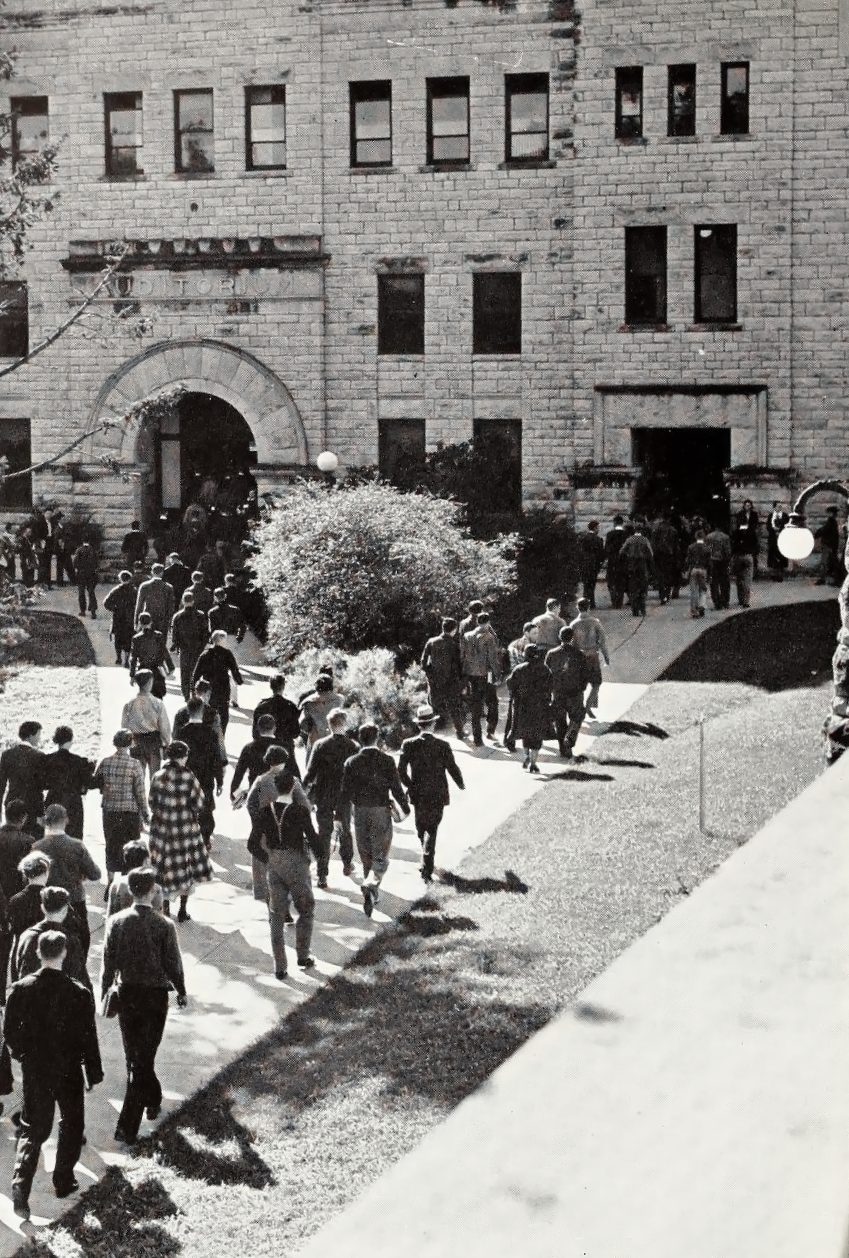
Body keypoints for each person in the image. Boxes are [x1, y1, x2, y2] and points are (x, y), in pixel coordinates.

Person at [5, 930, 103, 1218]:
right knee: (72, 1123)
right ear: (64, 953)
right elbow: (88, 1037)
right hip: (68, 1070)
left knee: (33, 1127)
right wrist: (93, 1072)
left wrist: (22, 1055)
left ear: (38, 953)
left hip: (36, 1070)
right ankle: (63, 1180)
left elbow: (9, 1032)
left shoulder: (21, 989)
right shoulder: (78, 992)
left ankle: (21, 1184)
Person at [100, 868, 187, 1145]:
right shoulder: (164, 925)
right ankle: (129, 1127)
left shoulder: (116, 922)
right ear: (152, 891)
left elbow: (108, 961)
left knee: (137, 1057)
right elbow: (173, 964)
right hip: (155, 997)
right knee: (143, 1057)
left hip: (127, 995)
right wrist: (181, 990)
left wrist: (104, 990)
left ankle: (152, 1099)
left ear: (131, 891)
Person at [255, 769, 321, 979]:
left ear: (275, 788)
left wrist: (269, 858)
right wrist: (321, 857)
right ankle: (303, 955)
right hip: (297, 863)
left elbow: (252, 843)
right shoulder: (300, 811)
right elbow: (313, 837)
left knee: (276, 914)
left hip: (274, 863)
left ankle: (280, 966)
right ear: (293, 787)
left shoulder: (265, 812)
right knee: (306, 908)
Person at [339, 723, 409, 917]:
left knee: (365, 852)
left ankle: (371, 892)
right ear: (377, 738)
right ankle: (371, 884)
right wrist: (405, 807)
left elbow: (344, 792)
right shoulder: (387, 760)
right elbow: (396, 787)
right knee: (381, 854)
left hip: (359, 811)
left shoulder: (351, 762)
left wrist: (339, 815)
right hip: (380, 810)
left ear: (360, 739)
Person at [147, 741, 213, 922]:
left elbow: (151, 801)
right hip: (184, 828)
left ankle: (166, 910)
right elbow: (199, 803)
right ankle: (183, 910)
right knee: (185, 867)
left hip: (162, 829)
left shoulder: (158, 776)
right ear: (183, 756)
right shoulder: (188, 777)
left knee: (163, 868)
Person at [398, 704, 464, 883]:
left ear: (419, 725)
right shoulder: (442, 745)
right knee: (431, 828)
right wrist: (460, 783)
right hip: (437, 792)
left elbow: (401, 771)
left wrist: (410, 785)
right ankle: (427, 862)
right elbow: (452, 767)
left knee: (422, 828)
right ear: (433, 724)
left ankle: (426, 865)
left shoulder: (408, 745)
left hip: (418, 794)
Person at [33, 803, 101, 960]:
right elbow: (95, 874)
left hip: (48, 903)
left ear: (46, 822)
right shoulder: (77, 846)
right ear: (66, 820)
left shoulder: (37, 847)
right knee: (81, 940)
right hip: (74, 901)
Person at [302, 709, 359, 886]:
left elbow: (311, 773)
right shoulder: (353, 746)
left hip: (323, 794)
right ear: (345, 724)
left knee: (324, 833)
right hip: (344, 796)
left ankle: (322, 874)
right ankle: (347, 863)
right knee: (345, 830)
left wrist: (303, 790)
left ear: (329, 725)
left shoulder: (320, 745)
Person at [246, 747, 310, 902]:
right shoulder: (292, 781)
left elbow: (250, 803)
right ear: (283, 761)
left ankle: (264, 893)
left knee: (263, 861)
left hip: (265, 829)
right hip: (287, 829)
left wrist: (258, 820)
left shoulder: (260, 780)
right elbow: (305, 806)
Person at [93, 729, 150, 895]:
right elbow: (140, 792)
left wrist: (105, 789)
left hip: (110, 811)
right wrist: (145, 814)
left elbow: (97, 781)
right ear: (131, 743)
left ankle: (110, 881)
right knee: (130, 847)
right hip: (129, 812)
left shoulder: (105, 762)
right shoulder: (135, 764)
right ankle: (126, 884)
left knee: (111, 845)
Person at [13, 886, 90, 990]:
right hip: (63, 996)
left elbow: (18, 969)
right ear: (65, 910)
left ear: (43, 908)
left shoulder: (27, 937)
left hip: (30, 995)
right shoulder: (71, 940)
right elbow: (80, 976)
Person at [0, 801, 35, 1000]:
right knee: (20, 946)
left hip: (1, 900)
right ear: (24, 818)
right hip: (21, 901)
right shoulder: (28, 841)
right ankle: (16, 991)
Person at [180, 698, 224, 848]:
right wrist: (220, 781)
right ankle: (205, 839)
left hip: (187, 777)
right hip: (206, 776)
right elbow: (217, 759)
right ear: (202, 712)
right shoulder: (211, 733)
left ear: (188, 711)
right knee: (206, 808)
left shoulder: (182, 732)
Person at [41, 725, 95, 841]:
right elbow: (90, 783)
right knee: (74, 836)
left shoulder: (47, 759)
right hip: (73, 802)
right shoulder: (78, 761)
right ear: (70, 741)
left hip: (53, 799)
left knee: (53, 835)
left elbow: (43, 783)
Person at [505, 645, 552, 774]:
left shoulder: (519, 669)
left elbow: (510, 683)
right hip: (539, 706)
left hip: (522, 706)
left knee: (525, 734)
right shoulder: (544, 669)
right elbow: (550, 686)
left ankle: (526, 756)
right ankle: (533, 762)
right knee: (537, 736)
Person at [545, 625, 590, 760]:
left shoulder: (551, 654)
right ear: (572, 638)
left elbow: (546, 674)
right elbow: (585, 674)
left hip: (558, 692)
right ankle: (570, 737)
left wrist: (549, 690)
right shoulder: (579, 654)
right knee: (577, 716)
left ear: (559, 637)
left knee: (560, 721)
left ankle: (564, 750)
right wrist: (582, 687)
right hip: (575, 692)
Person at [122, 669, 172, 786]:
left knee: (138, 777)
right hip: (153, 741)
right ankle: (153, 796)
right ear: (150, 682)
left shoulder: (129, 704)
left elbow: (124, 726)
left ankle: (140, 796)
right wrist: (166, 742)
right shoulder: (157, 703)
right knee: (155, 776)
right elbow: (164, 726)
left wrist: (128, 742)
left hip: (136, 740)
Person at [461, 612, 503, 747]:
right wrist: (498, 675)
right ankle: (490, 731)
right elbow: (493, 659)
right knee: (493, 702)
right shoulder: (489, 637)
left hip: (472, 675)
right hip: (486, 674)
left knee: (476, 706)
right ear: (488, 622)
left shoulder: (467, 636)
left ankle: (477, 738)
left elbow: (463, 655)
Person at [419, 618, 465, 738]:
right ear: (454, 629)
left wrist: (430, 674)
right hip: (451, 681)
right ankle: (459, 732)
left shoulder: (431, 642)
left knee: (434, 707)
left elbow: (423, 662)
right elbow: (459, 665)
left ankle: (431, 734)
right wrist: (462, 682)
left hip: (435, 682)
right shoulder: (454, 645)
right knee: (454, 708)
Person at [192, 630, 243, 734]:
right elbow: (234, 670)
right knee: (223, 714)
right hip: (223, 688)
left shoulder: (205, 654)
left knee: (208, 712)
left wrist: (193, 689)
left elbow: (196, 674)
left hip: (208, 688)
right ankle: (221, 735)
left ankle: (209, 735)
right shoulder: (227, 654)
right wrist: (239, 680)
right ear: (222, 641)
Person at [0, 721, 45, 837]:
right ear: (31, 736)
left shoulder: (7, 755)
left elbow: (1, 784)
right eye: (38, 734)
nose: (39, 738)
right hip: (32, 806)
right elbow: (39, 787)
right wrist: (41, 813)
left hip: (11, 804)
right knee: (31, 841)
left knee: (12, 838)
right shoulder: (39, 756)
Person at [569, 598, 611, 717]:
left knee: (580, 684)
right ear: (588, 607)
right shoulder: (595, 622)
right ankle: (588, 705)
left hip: (579, 657)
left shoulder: (573, 624)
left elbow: (572, 643)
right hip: (592, 656)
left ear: (577, 608)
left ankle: (581, 707)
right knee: (596, 683)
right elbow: (602, 642)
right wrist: (606, 657)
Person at [208, 587, 247, 708]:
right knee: (233, 667)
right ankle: (234, 699)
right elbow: (242, 626)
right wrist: (239, 638)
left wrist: (212, 642)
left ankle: (220, 696)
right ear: (225, 596)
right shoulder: (235, 610)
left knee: (218, 669)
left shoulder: (212, 612)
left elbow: (212, 630)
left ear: (215, 597)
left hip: (219, 639)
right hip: (231, 638)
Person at [174, 679, 227, 767]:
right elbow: (219, 738)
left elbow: (175, 735)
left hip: (185, 757)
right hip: (205, 758)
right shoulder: (213, 714)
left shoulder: (181, 712)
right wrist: (223, 760)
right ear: (207, 693)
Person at [170, 589, 210, 702]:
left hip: (184, 649)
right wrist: (202, 647)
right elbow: (205, 633)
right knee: (196, 672)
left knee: (185, 673)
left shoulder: (177, 616)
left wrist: (177, 645)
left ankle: (186, 695)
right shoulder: (200, 615)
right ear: (193, 601)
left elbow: (174, 635)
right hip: (197, 648)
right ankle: (196, 694)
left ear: (183, 601)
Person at [107, 839, 163, 917]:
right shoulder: (154, 888)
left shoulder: (117, 885)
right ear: (145, 861)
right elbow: (159, 917)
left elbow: (111, 915)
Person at [251, 674, 301, 754]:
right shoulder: (290, 706)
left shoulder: (261, 706)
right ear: (283, 686)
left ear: (270, 686)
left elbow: (255, 733)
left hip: (265, 749)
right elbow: (296, 733)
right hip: (285, 749)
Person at [299, 674, 345, 759]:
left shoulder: (307, 702)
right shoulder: (339, 700)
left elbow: (302, 723)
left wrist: (311, 730)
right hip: (334, 738)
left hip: (315, 739)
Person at [130, 611, 174, 699]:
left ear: (140, 623)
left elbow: (133, 658)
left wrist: (132, 675)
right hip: (157, 669)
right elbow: (165, 652)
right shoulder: (158, 636)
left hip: (143, 670)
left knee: (145, 696)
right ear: (151, 622)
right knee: (158, 696)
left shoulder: (136, 639)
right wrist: (170, 667)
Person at [103, 569, 138, 667]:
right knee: (128, 639)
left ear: (120, 579)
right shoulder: (134, 591)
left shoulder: (116, 590)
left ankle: (118, 657)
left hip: (118, 618)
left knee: (118, 639)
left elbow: (106, 603)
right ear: (130, 579)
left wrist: (114, 609)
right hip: (130, 618)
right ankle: (127, 659)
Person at [617, 525, 654, 618]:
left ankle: (635, 609)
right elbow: (650, 553)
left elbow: (621, 551)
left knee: (633, 587)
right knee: (643, 586)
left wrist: (628, 556)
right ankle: (642, 608)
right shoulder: (645, 540)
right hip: (642, 565)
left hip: (632, 565)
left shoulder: (629, 540)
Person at [135, 562, 176, 639]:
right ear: (162, 573)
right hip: (162, 618)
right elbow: (171, 606)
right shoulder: (168, 587)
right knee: (161, 641)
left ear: (152, 572)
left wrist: (136, 621)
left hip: (148, 617)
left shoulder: (144, 586)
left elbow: (139, 605)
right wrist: (170, 621)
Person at [650, 511, 680, 605]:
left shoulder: (656, 529)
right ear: (669, 519)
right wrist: (677, 558)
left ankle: (662, 596)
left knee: (660, 576)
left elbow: (653, 543)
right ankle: (666, 594)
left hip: (659, 555)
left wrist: (653, 555)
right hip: (669, 556)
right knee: (668, 576)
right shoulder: (673, 530)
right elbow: (676, 546)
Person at [577, 521, 605, 609]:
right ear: (595, 528)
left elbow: (579, 551)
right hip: (594, 564)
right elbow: (601, 554)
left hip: (584, 564)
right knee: (592, 584)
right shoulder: (599, 540)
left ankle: (586, 602)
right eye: (598, 528)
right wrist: (600, 563)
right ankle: (591, 603)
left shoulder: (583, 538)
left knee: (586, 584)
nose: (598, 530)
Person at [684, 529, 712, 619]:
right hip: (703, 570)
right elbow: (709, 562)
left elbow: (688, 560)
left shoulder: (691, 547)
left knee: (694, 591)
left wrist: (686, 570)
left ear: (696, 537)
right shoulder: (707, 548)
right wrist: (710, 574)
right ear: (704, 537)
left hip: (694, 569)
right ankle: (702, 605)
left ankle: (694, 611)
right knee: (702, 590)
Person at [705, 522, 732, 611]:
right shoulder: (725, 537)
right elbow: (727, 551)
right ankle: (725, 601)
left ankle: (716, 602)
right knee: (725, 582)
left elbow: (707, 550)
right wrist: (728, 561)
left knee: (714, 582)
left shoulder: (709, 537)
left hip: (712, 561)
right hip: (723, 561)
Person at [729, 521, 754, 609]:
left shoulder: (736, 533)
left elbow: (732, 544)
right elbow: (755, 545)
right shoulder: (751, 533)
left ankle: (741, 599)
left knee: (739, 579)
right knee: (747, 579)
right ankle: (746, 601)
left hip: (738, 556)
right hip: (748, 556)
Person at [733, 499, 760, 582]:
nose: (747, 507)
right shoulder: (740, 514)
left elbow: (754, 525)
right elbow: (739, 525)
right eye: (746, 505)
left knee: (753, 556)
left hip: (751, 537)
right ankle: (742, 573)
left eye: (749, 505)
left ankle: (754, 574)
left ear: (751, 506)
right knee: (742, 556)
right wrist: (745, 528)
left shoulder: (754, 514)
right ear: (744, 506)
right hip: (742, 537)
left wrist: (747, 528)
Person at [603, 516, 628, 609]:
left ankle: (614, 600)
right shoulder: (626, 534)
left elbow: (607, 549)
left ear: (614, 523)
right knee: (621, 582)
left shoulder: (610, 534)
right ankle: (619, 601)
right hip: (623, 562)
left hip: (612, 561)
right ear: (622, 523)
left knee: (612, 581)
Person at [72, 536, 98, 619]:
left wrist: (77, 569)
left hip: (81, 573)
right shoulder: (93, 550)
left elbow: (75, 562)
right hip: (91, 573)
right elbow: (96, 562)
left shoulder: (79, 550)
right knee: (91, 592)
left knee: (81, 592)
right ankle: (93, 611)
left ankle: (82, 610)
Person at [814, 506, 841, 585]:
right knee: (832, 563)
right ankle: (835, 579)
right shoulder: (832, 522)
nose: (827, 514)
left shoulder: (831, 522)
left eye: (828, 512)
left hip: (829, 545)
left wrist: (817, 533)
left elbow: (824, 530)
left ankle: (827, 579)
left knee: (825, 562)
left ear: (832, 513)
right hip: (831, 545)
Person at [766, 502, 789, 579]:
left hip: (782, 538)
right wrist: (773, 529)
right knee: (773, 556)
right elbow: (768, 526)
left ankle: (780, 574)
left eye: (780, 506)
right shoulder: (771, 515)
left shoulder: (785, 515)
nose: (779, 508)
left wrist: (780, 529)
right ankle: (774, 574)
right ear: (774, 507)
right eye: (778, 506)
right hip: (773, 538)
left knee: (781, 556)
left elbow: (787, 525)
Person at [52, 512, 75, 588]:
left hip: (66, 550)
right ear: (58, 520)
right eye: (63, 519)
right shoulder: (57, 529)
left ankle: (73, 580)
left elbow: (69, 537)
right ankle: (60, 582)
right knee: (60, 567)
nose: (64, 520)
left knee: (69, 566)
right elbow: (56, 541)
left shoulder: (65, 527)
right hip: (60, 551)